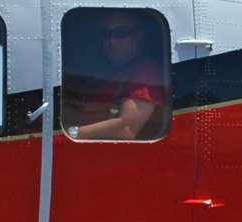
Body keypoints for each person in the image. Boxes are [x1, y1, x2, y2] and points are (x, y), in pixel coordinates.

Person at [64, 9, 171, 141]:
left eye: (121, 32)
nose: (112, 40)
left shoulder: (146, 73)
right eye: (106, 34)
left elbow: (127, 128)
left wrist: (71, 134)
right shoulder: (108, 72)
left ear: (139, 36)